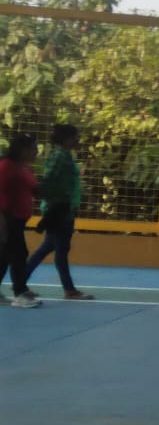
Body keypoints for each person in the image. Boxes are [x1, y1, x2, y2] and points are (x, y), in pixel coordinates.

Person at [25, 124, 93, 301]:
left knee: (49, 247)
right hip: (60, 209)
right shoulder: (59, 157)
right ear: (66, 139)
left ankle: (21, 281)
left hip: (63, 207)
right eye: (76, 136)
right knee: (61, 249)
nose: (78, 139)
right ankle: (69, 290)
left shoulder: (64, 156)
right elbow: (49, 181)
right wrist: (53, 203)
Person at [0, 133, 40, 308]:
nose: (36, 152)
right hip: (7, 218)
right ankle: (20, 293)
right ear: (22, 150)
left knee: (5, 255)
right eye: (33, 149)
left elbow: (34, 189)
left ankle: (20, 290)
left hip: (18, 219)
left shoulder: (24, 168)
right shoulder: (6, 167)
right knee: (18, 254)